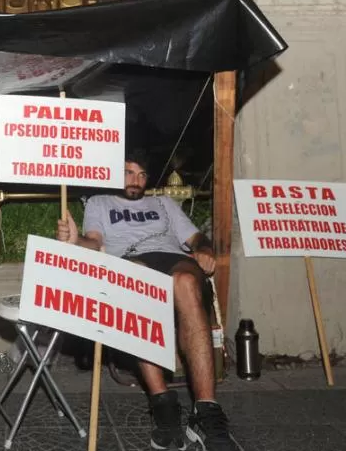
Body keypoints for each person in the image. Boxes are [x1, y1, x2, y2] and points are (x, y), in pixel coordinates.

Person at [56, 152, 236, 451]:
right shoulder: (99, 202)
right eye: (128, 173)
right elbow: (95, 242)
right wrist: (74, 240)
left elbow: (195, 239)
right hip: (132, 262)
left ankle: (206, 410)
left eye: (141, 175)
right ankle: (164, 406)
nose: (135, 181)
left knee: (188, 282)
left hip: (173, 260)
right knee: (137, 278)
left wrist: (204, 249)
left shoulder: (163, 203)